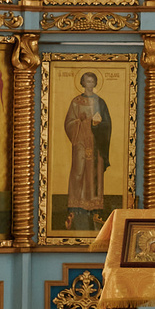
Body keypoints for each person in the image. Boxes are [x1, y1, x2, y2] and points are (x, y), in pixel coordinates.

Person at [62, 71, 111, 233]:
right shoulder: (76, 102)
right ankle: (74, 207)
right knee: (78, 171)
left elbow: (107, 124)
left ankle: (95, 209)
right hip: (81, 142)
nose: (89, 84)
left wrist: (98, 124)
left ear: (95, 83)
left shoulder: (100, 102)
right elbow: (69, 123)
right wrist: (80, 121)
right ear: (83, 83)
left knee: (94, 173)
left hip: (96, 142)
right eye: (87, 81)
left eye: (92, 81)